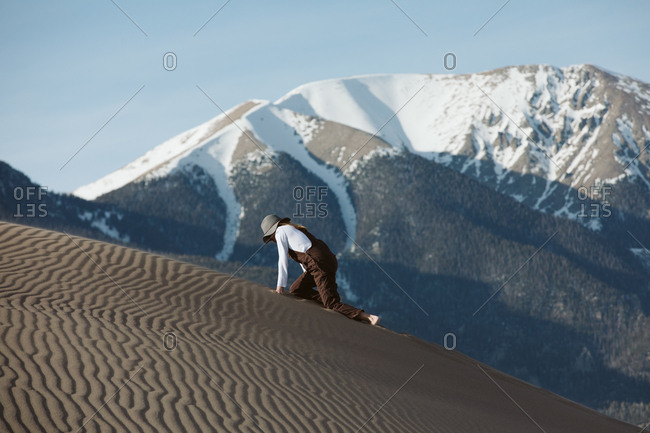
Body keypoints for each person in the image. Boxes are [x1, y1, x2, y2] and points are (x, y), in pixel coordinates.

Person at [261, 214, 380, 326]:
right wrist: (307, 276)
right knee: (296, 289)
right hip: (325, 261)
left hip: (319, 264)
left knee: (331, 303)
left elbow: (282, 260)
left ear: (273, 231)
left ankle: (368, 317)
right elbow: (305, 257)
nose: (272, 240)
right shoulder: (293, 229)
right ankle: (327, 298)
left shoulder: (280, 232)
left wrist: (280, 287)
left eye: (270, 238)